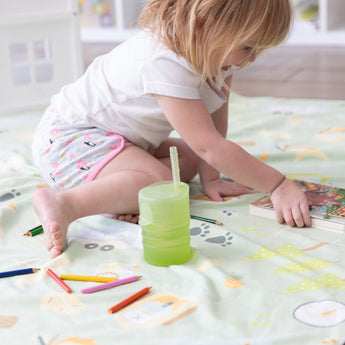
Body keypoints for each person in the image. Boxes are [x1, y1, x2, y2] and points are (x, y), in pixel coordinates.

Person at [32, 0, 311, 258]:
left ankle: (120, 195)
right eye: (248, 47)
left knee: (186, 162)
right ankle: (65, 204)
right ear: (207, 22)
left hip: (120, 141)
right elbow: (210, 147)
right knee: (160, 181)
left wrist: (211, 179)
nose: (251, 59)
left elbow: (212, 133)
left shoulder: (215, 55)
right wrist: (278, 185)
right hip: (70, 142)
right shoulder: (164, 61)